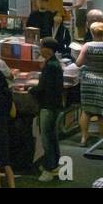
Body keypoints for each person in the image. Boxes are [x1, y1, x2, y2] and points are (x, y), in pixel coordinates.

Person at [76, 22, 103, 146]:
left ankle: (84, 137)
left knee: (86, 110)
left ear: (91, 32)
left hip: (88, 80)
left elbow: (78, 63)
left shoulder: (87, 46)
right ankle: (102, 139)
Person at [34, 37, 66, 182]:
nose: (39, 49)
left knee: (47, 138)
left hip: (48, 106)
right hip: (53, 105)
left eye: (41, 47)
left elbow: (43, 87)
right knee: (52, 137)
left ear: (48, 49)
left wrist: (31, 90)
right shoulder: (53, 64)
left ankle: (50, 169)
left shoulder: (51, 66)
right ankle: (53, 165)